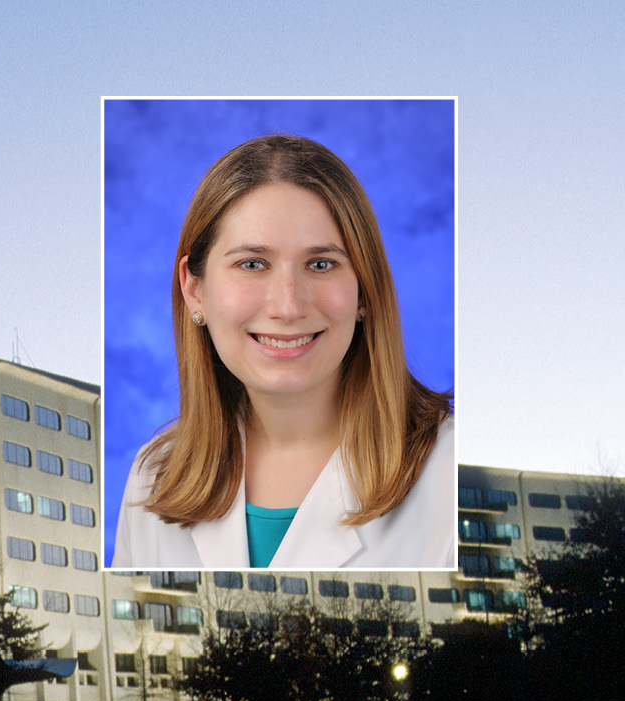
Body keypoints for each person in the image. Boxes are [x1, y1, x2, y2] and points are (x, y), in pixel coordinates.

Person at [113, 134, 454, 570]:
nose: (288, 306)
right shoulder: (150, 478)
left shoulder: (447, 472)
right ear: (194, 290)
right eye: (252, 264)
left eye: (321, 264)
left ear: (364, 291)